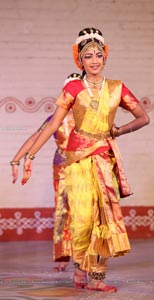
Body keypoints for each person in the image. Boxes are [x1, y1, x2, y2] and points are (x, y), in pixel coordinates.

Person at [21, 27, 150, 292]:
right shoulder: (72, 88)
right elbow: (52, 125)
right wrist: (30, 156)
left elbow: (143, 117)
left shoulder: (117, 88)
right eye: (88, 56)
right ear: (80, 60)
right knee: (81, 220)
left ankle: (96, 278)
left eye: (98, 55)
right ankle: (80, 268)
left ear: (105, 57)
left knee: (104, 218)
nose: (94, 60)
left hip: (103, 158)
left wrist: (118, 130)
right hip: (77, 161)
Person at [10, 73, 81, 271]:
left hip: (85, 167)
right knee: (62, 210)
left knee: (84, 211)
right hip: (61, 168)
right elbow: (35, 138)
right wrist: (16, 160)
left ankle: (85, 257)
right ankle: (63, 256)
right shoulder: (55, 119)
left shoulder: (88, 118)